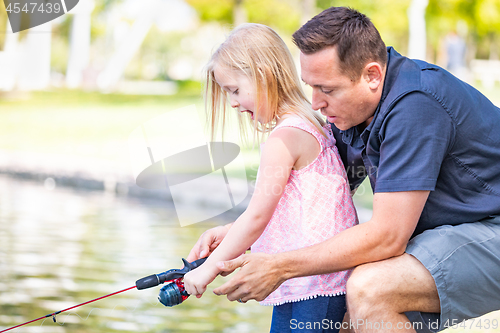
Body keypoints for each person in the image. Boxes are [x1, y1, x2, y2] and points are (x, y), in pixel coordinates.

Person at [187, 7, 500, 333]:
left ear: (372, 75)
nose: (316, 103)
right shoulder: (354, 111)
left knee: (371, 289)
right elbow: (317, 197)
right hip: (458, 230)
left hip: (491, 226)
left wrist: (279, 266)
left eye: (328, 89)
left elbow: (387, 237)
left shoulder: (415, 107)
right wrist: (239, 232)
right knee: (349, 320)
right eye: (311, 86)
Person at [182, 23, 358, 332]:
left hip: (314, 286)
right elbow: (286, 208)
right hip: (310, 281)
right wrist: (228, 229)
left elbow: (257, 216)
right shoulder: (310, 122)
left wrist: (207, 269)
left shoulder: (284, 137)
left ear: (263, 74)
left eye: (234, 90)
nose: (233, 103)